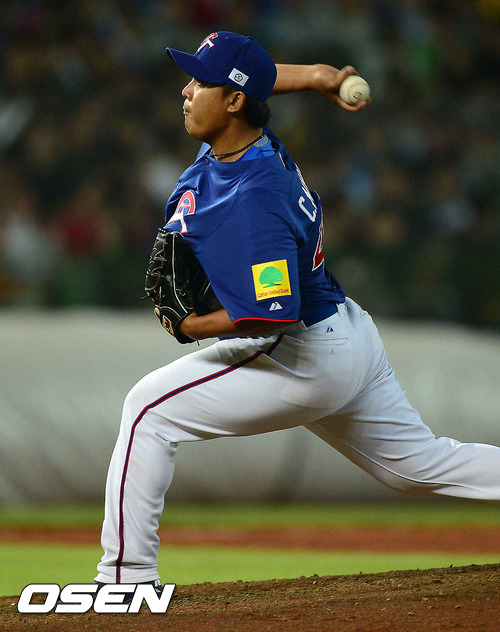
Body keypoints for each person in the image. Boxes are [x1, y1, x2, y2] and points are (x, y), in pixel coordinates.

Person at [94, 31, 500, 588]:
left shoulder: (253, 198)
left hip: (303, 353)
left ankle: (125, 579)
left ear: (233, 102)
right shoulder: (244, 145)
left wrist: (193, 325)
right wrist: (313, 76)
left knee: (147, 411)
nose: (185, 91)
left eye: (199, 83)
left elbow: (273, 312)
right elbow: (259, 81)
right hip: (346, 332)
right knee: (420, 466)